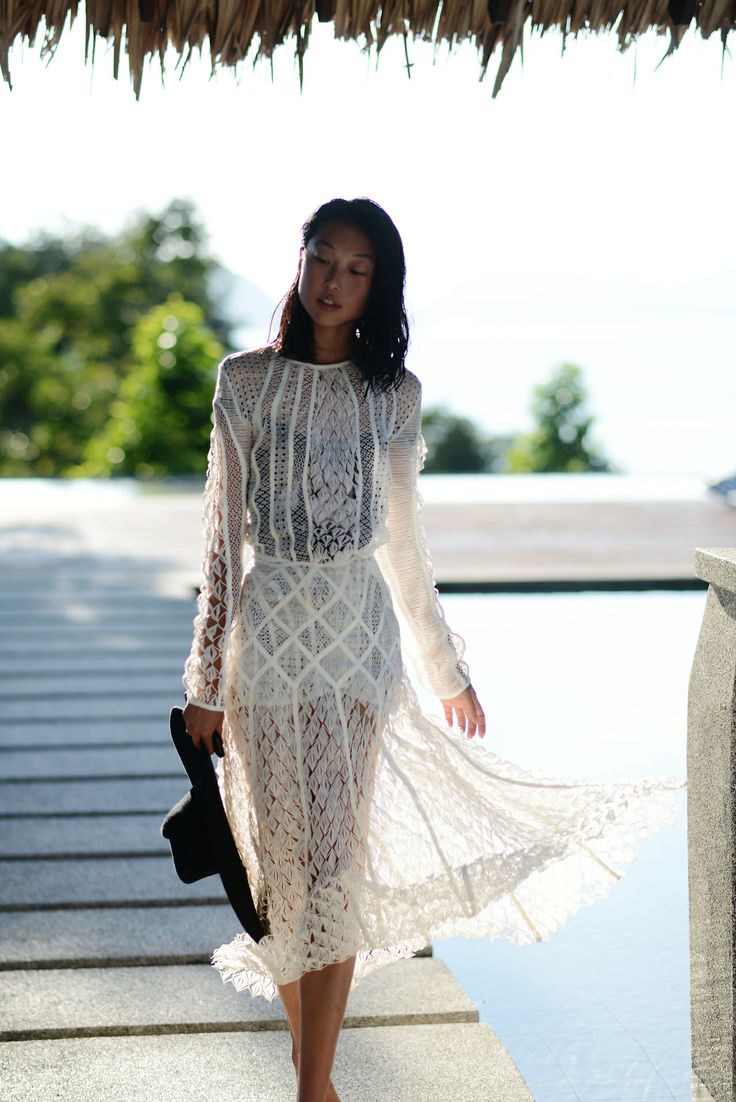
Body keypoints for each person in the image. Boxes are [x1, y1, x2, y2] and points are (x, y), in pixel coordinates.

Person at [180, 197, 685, 1102]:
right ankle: (318, 1080)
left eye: (357, 268)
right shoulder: (245, 382)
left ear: (379, 285)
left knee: (335, 868)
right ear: (300, 262)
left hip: (357, 645)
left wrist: (444, 667)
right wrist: (205, 680)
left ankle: (312, 1088)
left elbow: (405, 545)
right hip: (269, 645)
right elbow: (220, 542)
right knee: (282, 878)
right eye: (323, 258)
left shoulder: (394, 396)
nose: (334, 281)